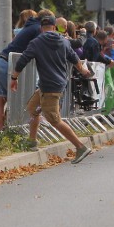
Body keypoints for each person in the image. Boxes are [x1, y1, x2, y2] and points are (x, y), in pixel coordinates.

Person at [10, 15, 94, 163]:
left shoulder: (36, 42)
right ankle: (32, 141)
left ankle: (80, 147)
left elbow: (23, 60)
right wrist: (84, 71)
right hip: (52, 84)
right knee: (33, 108)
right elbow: (75, 59)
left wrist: (14, 78)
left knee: (55, 120)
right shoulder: (64, 41)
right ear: (54, 27)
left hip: (50, 87)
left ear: (41, 28)